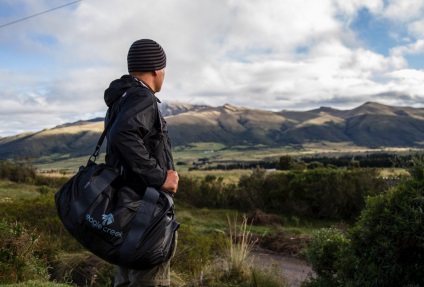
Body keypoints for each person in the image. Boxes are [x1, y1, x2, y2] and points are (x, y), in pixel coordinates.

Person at [103, 39, 179, 287]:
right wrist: (160, 178)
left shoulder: (122, 98)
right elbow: (123, 135)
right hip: (145, 211)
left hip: (124, 208)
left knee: (125, 279)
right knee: (149, 280)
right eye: (164, 70)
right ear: (157, 70)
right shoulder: (142, 98)